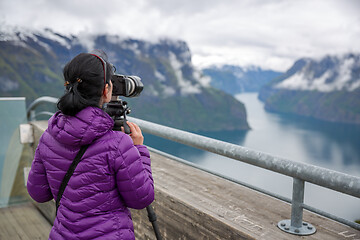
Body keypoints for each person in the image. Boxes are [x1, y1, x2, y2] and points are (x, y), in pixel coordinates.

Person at [27, 51, 154, 240]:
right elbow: (141, 198)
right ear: (106, 90)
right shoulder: (118, 144)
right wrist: (139, 150)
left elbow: (38, 193)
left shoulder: (49, 136)